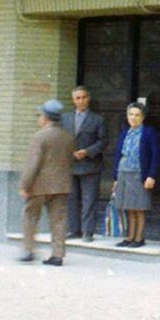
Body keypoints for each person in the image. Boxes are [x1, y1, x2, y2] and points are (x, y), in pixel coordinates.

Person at [19, 99, 75, 266]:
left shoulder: (39, 136)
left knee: (30, 217)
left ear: (45, 117)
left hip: (39, 186)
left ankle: (29, 251)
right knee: (58, 220)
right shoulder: (68, 137)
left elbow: (33, 164)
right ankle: (57, 255)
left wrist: (25, 184)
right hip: (61, 185)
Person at [113, 101, 160, 248]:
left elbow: (156, 154)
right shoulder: (124, 132)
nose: (133, 118)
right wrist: (115, 177)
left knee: (139, 207)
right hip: (123, 172)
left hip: (139, 174)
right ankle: (129, 237)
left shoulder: (148, 132)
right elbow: (118, 154)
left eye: (137, 115)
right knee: (128, 207)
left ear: (143, 117)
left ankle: (139, 238)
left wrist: (151, 176)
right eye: (131, 114)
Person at [63, 85, 106, 242]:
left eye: (84, 97)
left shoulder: (98, 119)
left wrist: (87, 152)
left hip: (90, 165)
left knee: (89, 200)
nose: (81, 101)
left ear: (89, 99)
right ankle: (74, 230)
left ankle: (88, 232)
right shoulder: (65, 119)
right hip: (70, 165)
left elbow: (103, 141)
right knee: (71, 199)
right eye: (77, 98)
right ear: (73, 100)